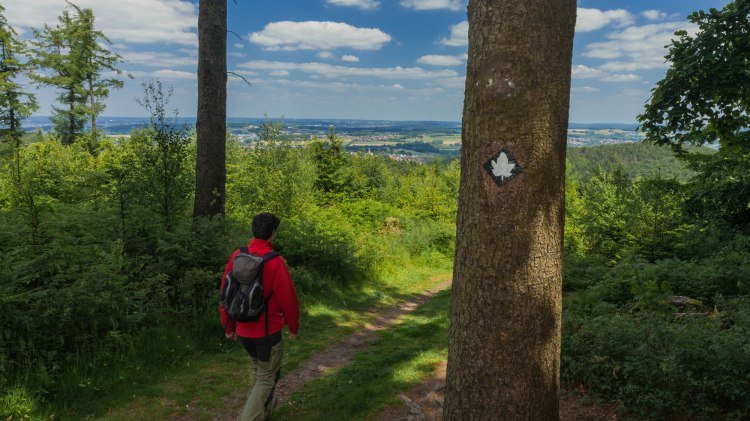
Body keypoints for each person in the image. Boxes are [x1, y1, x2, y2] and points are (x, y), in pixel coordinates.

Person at [220, 212, 299, 421]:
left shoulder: (237, 256)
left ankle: (264, 413)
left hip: (243, 330)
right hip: (267, 333)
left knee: (260, 369)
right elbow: (288, 299)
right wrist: (293, 326)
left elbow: (226, 294)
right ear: (272, 233)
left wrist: (228, 326)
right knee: (266, 377)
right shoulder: (275, 262)